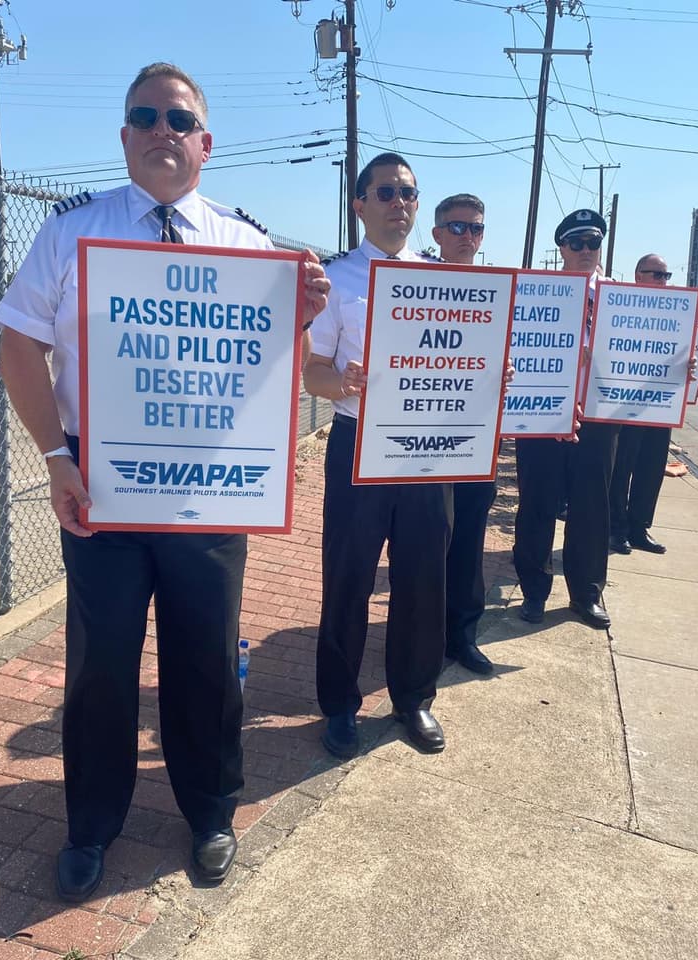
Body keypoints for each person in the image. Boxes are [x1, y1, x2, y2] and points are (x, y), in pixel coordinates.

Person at [0, 62, 330, 899]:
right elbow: (17, 343)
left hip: (208, 485)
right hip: (101, 479)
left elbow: (267, 368)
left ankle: (211, 809)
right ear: (123, 136)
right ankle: (92, 825)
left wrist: (302, 313)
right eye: (144, 116)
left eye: (178, 120)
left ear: (205, 143)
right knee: (101, 660)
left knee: (207, 656)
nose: (160, 131)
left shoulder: (249, 244)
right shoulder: (72, 230)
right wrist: (54, 458)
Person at [304, 152, 453, 759]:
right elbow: (312, 371)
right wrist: (344, 384)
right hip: (359, 443)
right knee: (349, 578)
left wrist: (489, 378)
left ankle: (413, 697)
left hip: (429, 451)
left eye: (409, 193)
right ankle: (340, 703)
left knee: (423, 577)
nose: (400, 203)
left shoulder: (450, 281)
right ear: (359, 204)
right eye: (386, 192)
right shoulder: (337, 279)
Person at [512, 209, 620, 630]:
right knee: (536, 505)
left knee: (593, 508)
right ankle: (534, 592)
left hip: (597, 417)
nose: (586, 251)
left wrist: (683, 364)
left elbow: (647, 355)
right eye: (576, 243)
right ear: (561, 248)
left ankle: (586, 594)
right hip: (542, 414)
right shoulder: (535, 292)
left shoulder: (617, 296)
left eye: (593, 242)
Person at [430, 194, 495, 676]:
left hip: (475, 440)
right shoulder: (414, 283)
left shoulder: (497, 292)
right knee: (427, 546)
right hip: (420, 440)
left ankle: (462, 635)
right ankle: (421, 636)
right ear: (436, 234)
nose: (466, 237)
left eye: (475, 228)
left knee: (469, 542)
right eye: (456, 228)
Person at [609, 254, 675, 555]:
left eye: (666, 275)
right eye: (657, 275)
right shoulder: (621, 307)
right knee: (621, 469)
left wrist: (694, 362)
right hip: (625, 406)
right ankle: (617, 529)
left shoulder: (677, 313)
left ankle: (639, 528)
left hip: (659, 406)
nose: (663, 281)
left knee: (651, 469)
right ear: (639, 276)